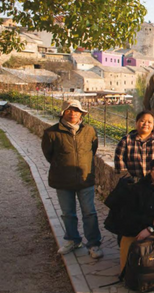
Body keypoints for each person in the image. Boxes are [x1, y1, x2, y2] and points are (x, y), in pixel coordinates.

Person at [41, 100, 103, 258]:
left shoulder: (89, 131)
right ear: (63, 113)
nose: (73, 113)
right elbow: (49, 155)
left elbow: (92, 150)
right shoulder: (51, 133)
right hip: (63, 180)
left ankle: (94, 243)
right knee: (68, 213)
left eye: (76, 110)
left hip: (85, 179)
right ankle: (73, 240)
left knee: (89, 212)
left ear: (82, 113)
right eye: (69, 110)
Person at [114, 110, 154, 180]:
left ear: (153, 125)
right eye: (142, 121)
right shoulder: (126, 140)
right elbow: (119, 161)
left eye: (149, 122)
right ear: (136, 123)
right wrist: (130, 179)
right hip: (132, 183)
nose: (146, 124)